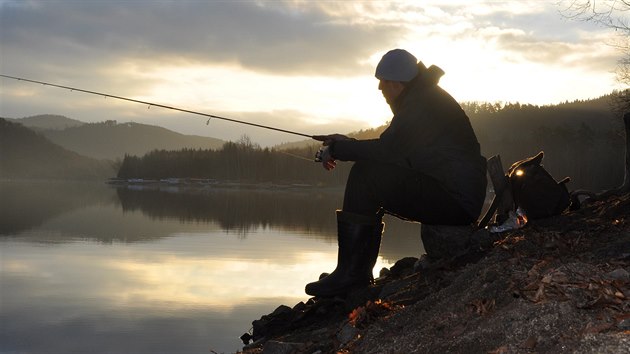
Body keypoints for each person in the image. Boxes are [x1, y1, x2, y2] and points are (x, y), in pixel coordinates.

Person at [306, 49, 487, 298]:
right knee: (369, 173)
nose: (380, 89)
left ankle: (351, 275)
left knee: (365, 176)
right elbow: (397, 150)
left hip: (455, 199)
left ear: (396, 84)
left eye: (382, 83)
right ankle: (353, 272)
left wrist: (337, 149)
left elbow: (388, 150)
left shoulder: (421, 105)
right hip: (455, 194)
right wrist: (346, 143)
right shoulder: (424, 99)